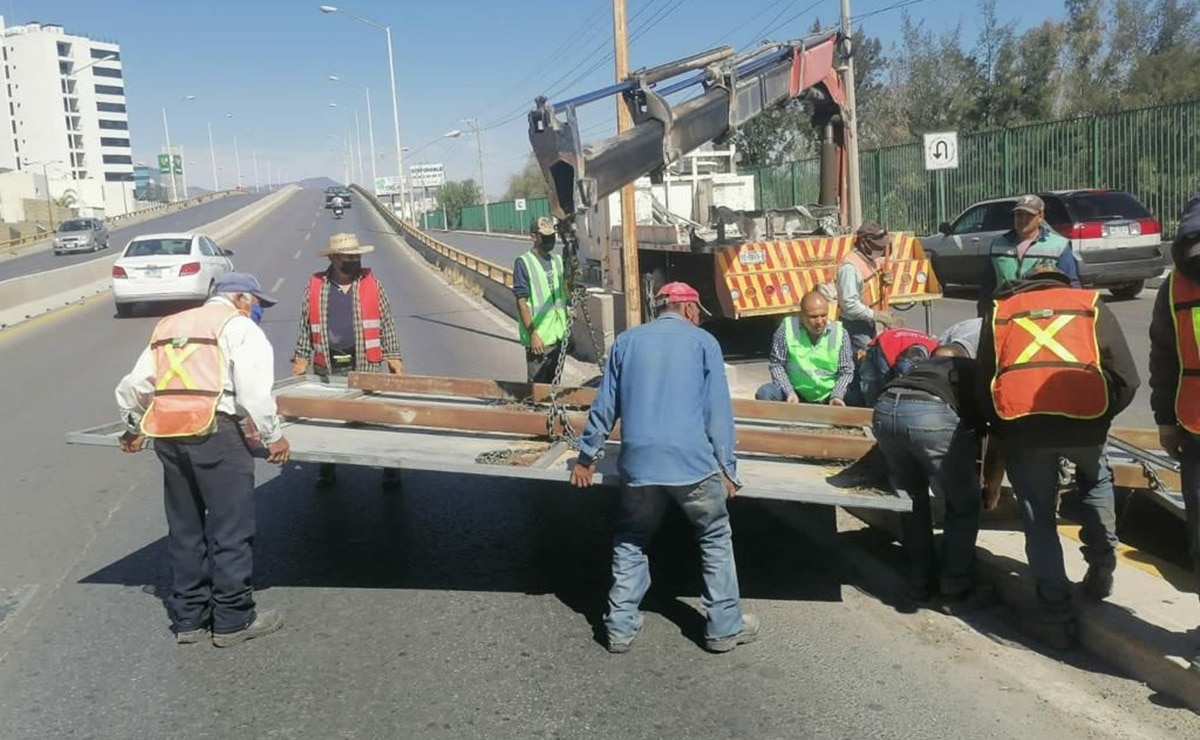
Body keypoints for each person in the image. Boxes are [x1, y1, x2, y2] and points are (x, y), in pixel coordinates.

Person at [569, 281, 759, 654]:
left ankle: (619, 628)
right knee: (714, 537)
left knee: (632, 537)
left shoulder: (627, 341)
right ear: (689, 310)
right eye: (698, 314)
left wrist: (586, 458)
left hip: (640, 464)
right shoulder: (703, 342)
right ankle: (723, 628)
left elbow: (605, 406)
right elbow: (717, 413)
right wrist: (727, 468)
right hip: (693, 464)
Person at [115, 272, 290, 647]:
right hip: (216, 433)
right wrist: (274, 435)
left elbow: (136, 384)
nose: (257, 310)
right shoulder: (239, 328)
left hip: (169, 434)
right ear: (240, 298)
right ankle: (233, 619)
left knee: (185, 528)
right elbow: (254, 393)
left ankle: (189, 619)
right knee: (231, 528)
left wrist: (132, 427)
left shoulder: (170, 325)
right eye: (257, 303)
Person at [978, 265, 1139, 649]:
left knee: (1038, 514)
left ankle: (1054, 608)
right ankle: (1102, 564)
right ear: (1067, 280)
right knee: (1096, 480)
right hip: (1084, 424)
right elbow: (1127, 378)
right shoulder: (1090, 304)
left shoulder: (1003, 309)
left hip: (1025, 427)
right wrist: (1099, 418)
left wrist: (1003, 428)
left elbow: (986, 381)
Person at [873, 343, 985, 605]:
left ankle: (918, 581)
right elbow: (983, 432)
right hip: (929, 414)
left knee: (913, 500)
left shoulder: (921, 366)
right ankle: (954, 587)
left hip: (885, 409)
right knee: (964, 504)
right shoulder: (969, 369)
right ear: (963, 358)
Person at [291, 233, 405, 488]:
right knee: (329, 417)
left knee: (376, 416)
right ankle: (327, 467)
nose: (354, 261)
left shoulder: (371, 284)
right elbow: (305, 326)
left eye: (357, 256)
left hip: (366, 362)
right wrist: (301, 356)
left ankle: (390, 467)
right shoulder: (315, 287)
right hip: (328, 365)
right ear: (333, 258)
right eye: (348, 257)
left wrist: (393, 355)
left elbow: (386, 322)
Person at [1148, 190, 1200, 671]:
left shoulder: (1174, 285)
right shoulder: (1172, 289)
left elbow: (1163, 358)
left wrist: (1164, 420)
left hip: (1193, 422)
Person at [976, 194, 1080, 318]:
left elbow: (1072, 285)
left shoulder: (1058, 246)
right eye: (1019, 214)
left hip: (1041, 316)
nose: (1023, 220)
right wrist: (983, 314)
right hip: (1005, 315)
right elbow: (988, 285)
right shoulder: (998, 244)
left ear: (1040, 217)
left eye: (1029, 215)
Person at [755, 290, 853, 406]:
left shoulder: (840, 334)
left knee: (860, 392)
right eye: (813, 317)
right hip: (796, 392)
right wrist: (789, 392)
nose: (819, 322)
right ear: (801, 315)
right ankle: (788, 419)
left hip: (829, 394)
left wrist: (837, 395)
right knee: (765, 393)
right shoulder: (787, 329)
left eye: (823, 315)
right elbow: (776, 365)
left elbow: (846, 371)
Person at [513, 217, 569, 383]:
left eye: (552, 236)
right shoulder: (524, 263)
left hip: (558, 336)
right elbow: (521, 301)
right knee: (537, 389)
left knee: (553, 386)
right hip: (539, 339)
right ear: (534, 237)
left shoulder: (557, 261)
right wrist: (533, 335)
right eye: (545, 237)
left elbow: (563, 296)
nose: (550, 240)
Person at [836, 221, 897, 354]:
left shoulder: (870, 261)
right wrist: (875, 315)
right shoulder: (849, 268)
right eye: (879, 247)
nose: (881, 251)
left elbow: (868, 287)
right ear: (865, 243)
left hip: (868, 322)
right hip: (855, 327)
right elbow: (849, 304)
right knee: (865, 361)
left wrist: (884, 281)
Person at [858, 326, 939, 407]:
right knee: (874, 384)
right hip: (885, 344)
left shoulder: (935, 351)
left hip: (903, 342)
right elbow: (885, 379)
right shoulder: (887, 350)